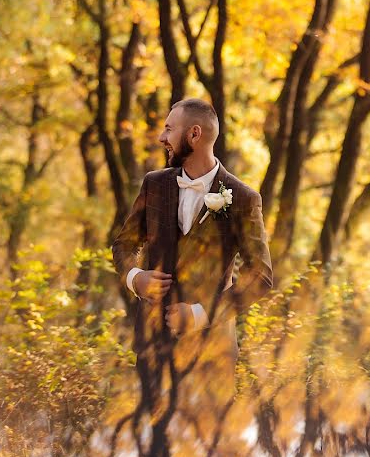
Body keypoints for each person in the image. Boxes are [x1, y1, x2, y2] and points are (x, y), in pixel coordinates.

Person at [111, 97, 273, 368]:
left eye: (169, 129)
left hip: (212, 356)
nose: (162, 137)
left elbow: (260, 275)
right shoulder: (154, 184)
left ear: (194, 134)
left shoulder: (243, 198)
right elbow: (123, 245)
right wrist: (135, 278)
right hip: (153, 349)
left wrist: (200, 314)